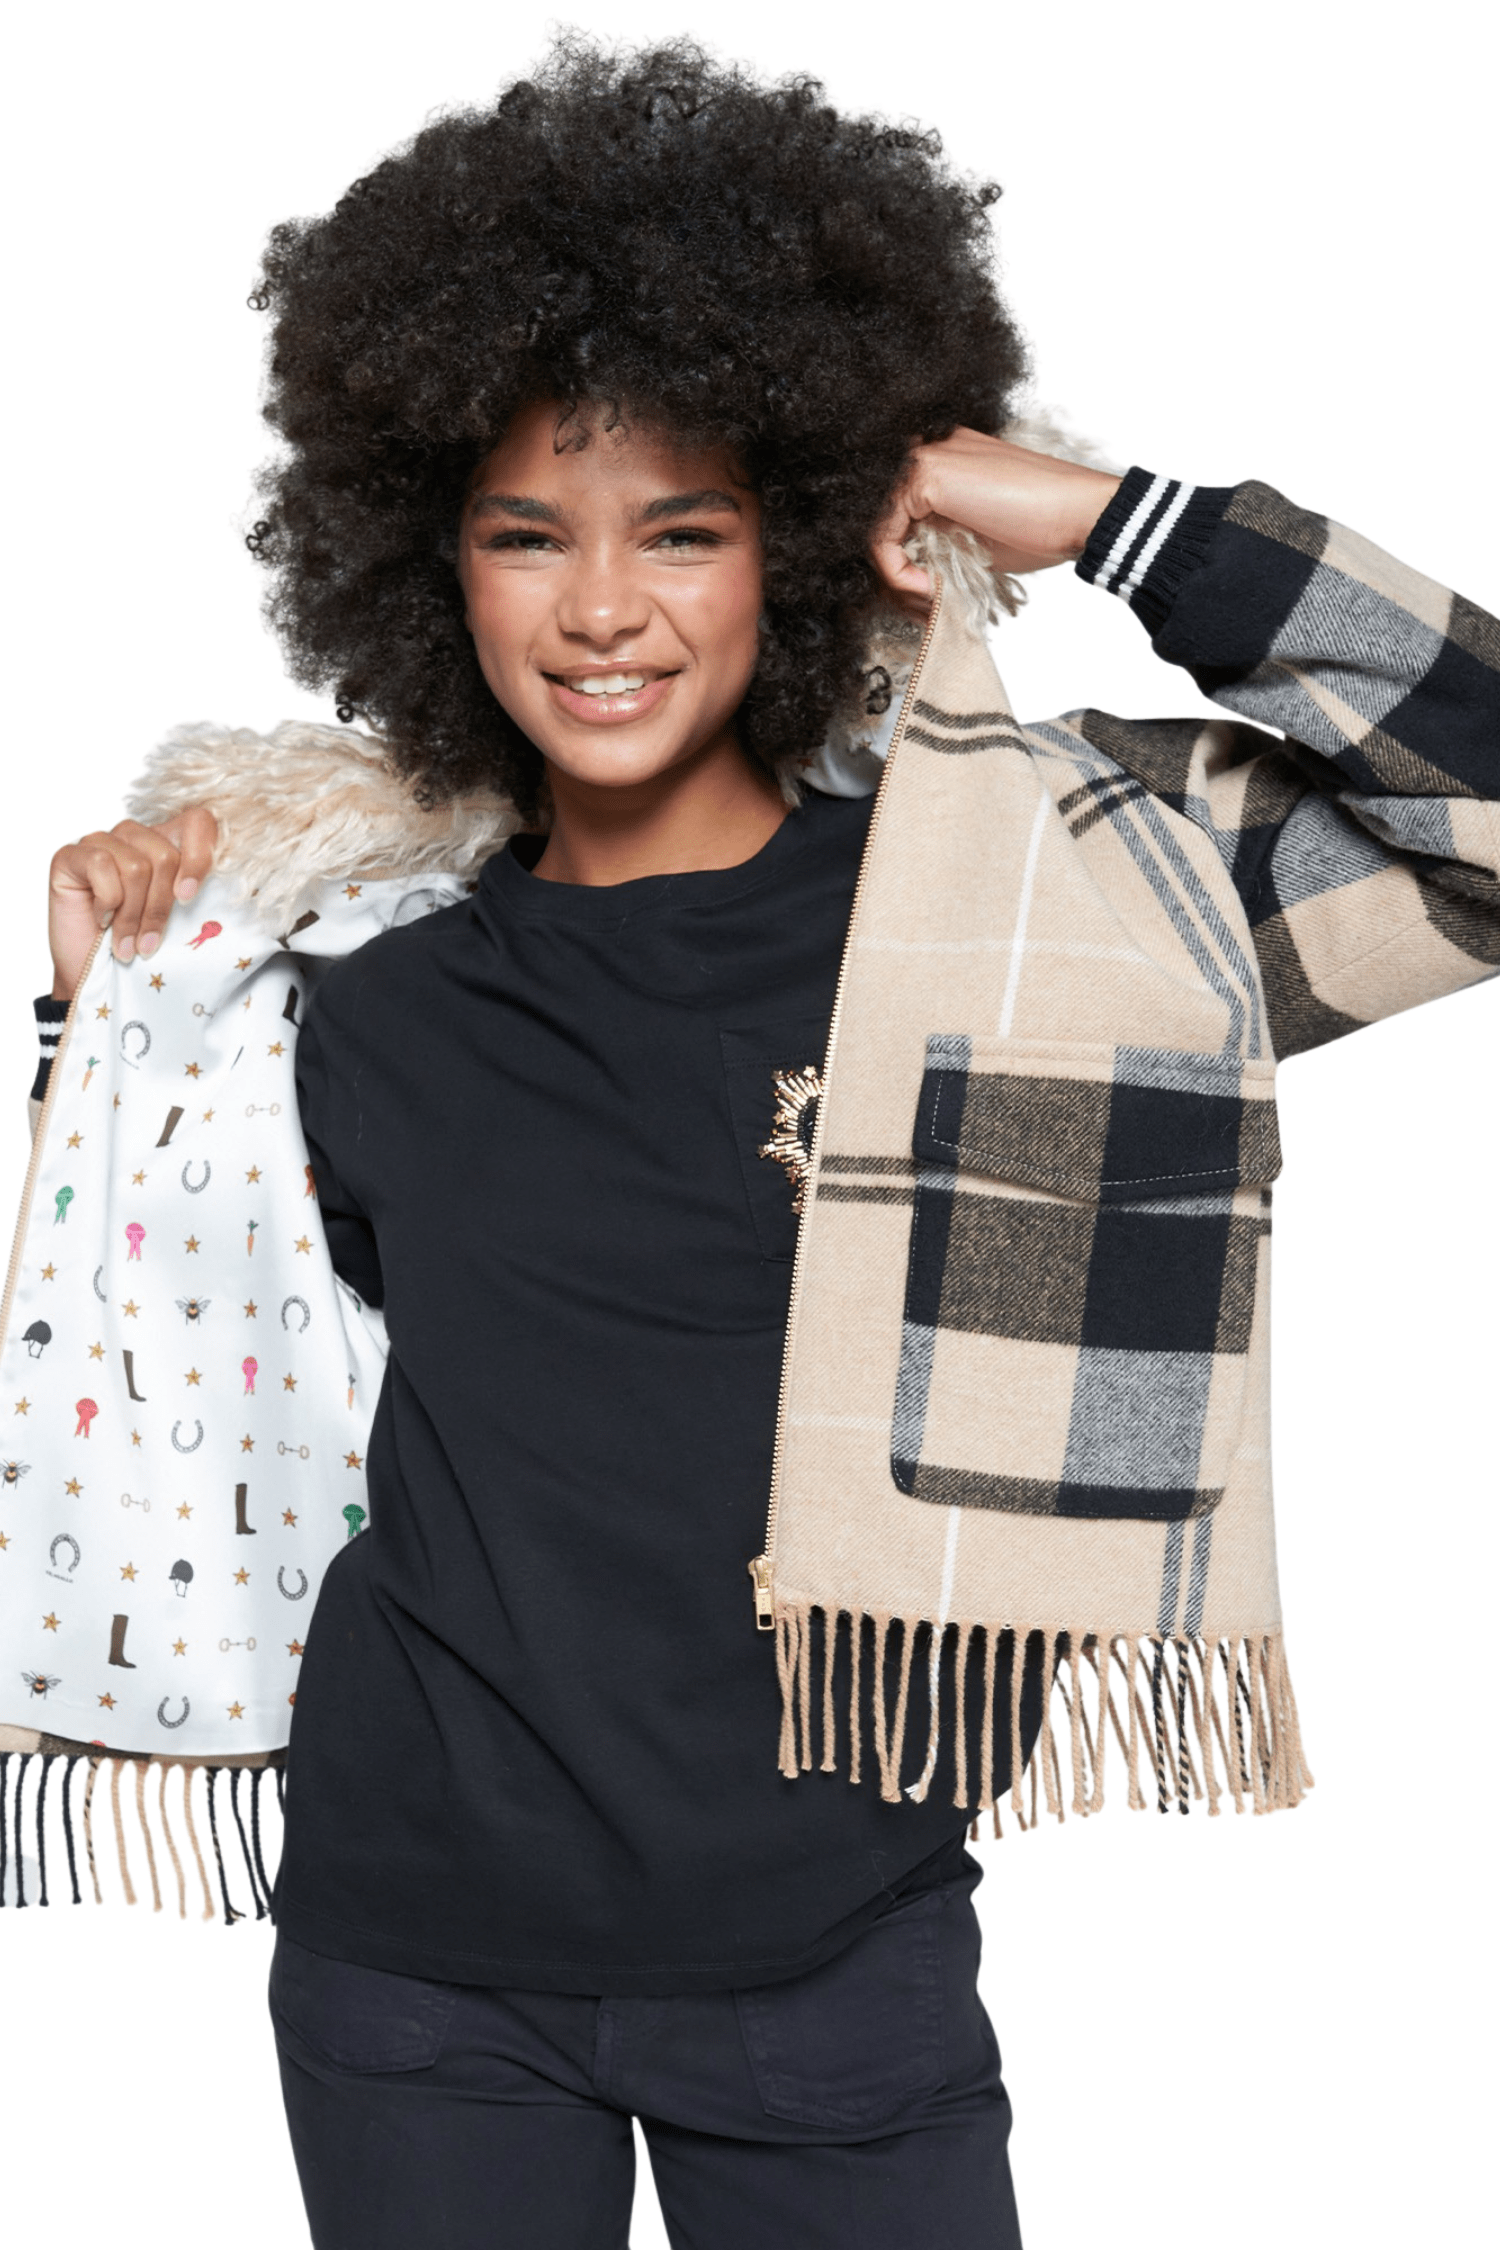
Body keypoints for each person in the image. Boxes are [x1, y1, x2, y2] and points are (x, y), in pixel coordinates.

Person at [16, 33, 1499, 2250]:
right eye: (528, 534)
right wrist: (100, 1019)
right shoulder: (362, 990)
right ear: (433, 568)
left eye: (684, 530)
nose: (601, 607)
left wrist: (1107, 522)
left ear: (795, 545)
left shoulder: (1033, 913)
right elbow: (180, 1367)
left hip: (838, 1958)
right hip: (415, 1965)